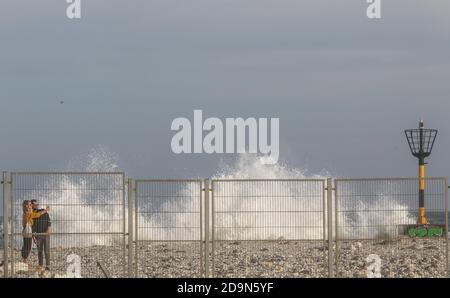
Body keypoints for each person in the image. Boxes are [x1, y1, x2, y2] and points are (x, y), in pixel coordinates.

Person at [22, 200, 48, 265]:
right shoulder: (27, 213)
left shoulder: (26, 212)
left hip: (28, 231)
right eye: (30, 205)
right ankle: (24, 259)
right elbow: (37, 215)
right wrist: (45, 210)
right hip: (27, 231)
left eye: (31, 204)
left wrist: (33, 238)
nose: (31, 206)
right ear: (26, 206)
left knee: (26, 245)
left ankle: (24, 259)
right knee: (27, 246)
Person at [31, 199, 52, 272]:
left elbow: (49, 222)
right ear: (31, 205)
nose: (35, 205)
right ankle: (40, 266)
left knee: (46, 251)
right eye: (33, 204)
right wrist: (34, 237)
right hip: (38, 235)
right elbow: (32, 226)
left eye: (36, 204)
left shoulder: (44, 212)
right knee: (40, 251)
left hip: (46, 234)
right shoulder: (32, 214)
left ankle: (48, 266)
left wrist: (48, 229)